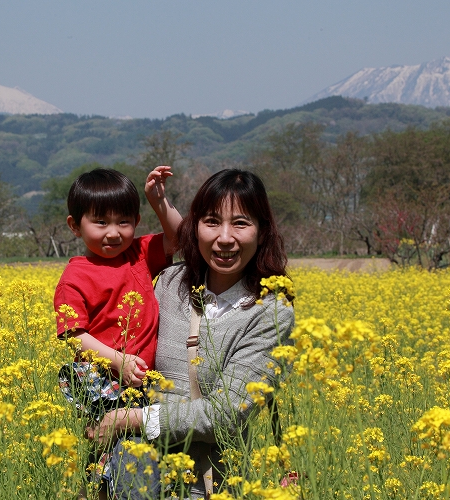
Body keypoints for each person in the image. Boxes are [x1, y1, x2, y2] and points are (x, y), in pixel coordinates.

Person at [88, 169, 295, 499]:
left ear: (262, 231)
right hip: (134, 472)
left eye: (240, 223)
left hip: (208, 484)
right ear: (195, 226)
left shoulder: (270, 312)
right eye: (212, 221)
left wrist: (134, 419)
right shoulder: (170, 284)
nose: (224, 237)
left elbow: (225, 415)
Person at [54, 166, 182, 391]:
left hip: (145, 380)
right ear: (75, 226)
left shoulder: (137, 254)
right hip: (100, 382)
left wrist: (158, 201)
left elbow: (180, 239)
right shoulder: (73, 279)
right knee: (105, 427)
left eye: (123, 222)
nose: (113, 233)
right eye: (101, 222)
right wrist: (119, 362)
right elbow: (75, 336)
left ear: (136, 220)